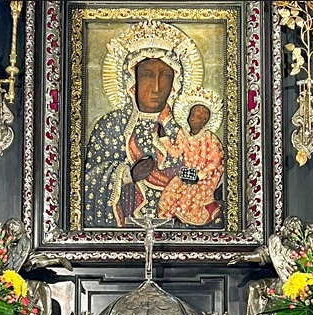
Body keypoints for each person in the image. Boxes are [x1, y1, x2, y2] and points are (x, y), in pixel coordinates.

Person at [83, 20, 203, 228]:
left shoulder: (184, 130)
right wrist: (127, 175)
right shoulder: (110, 126)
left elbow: (203, 177)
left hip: (176, 226)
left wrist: (180, 175)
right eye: (147, 74)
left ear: (176, 82)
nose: (156, 87)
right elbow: (86, 182)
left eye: (165, 76)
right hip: (124, 229)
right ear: (132, 80)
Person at [154, 87, 224, 226]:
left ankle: (203, 214)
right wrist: (164, 137)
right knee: (171, 190)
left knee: (191, 197)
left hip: (204, 178)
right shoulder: (183, 134)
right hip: (187, 174)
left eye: (200, 117)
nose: (194, 118)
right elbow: (175, 152)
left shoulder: (210, 138)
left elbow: (216, 161)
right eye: (193, 114)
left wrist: (200, 175)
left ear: (205, 121)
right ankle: (167, 221)